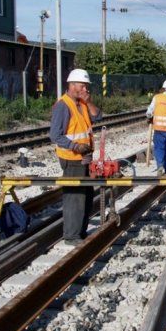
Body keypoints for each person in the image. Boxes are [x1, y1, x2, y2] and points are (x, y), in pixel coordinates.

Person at [49, 69, 102, 245]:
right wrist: (75, 146)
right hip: (72, 158)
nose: (86, 89)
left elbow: (98, 116)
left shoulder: (83, 103)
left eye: (86, 86)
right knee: (74, 197)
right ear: (72, 86)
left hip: (85, 157)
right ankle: (72, 236)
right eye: (83, 85)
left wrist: (90, 101)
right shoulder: (63, 105)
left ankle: (81, 232)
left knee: (86, 196)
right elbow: (55, 135)